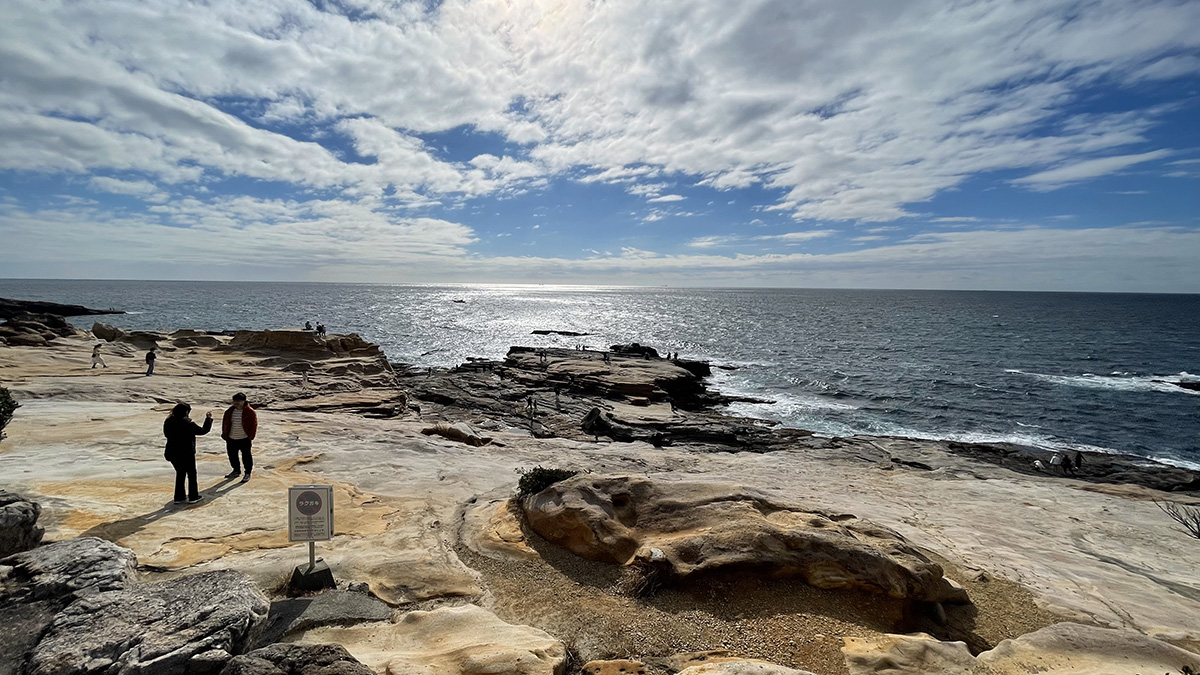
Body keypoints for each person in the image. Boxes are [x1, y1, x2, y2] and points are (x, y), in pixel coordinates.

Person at [163, 403, 212, 504]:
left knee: (180, 473)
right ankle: (193, 496)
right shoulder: (187, 423)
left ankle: (179, 497)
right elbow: (203, 431)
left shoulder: (168, 421)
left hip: (172, 452)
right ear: (186, 412)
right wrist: (208, 419)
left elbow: (166, 434)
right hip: (186, 452)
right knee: (191, 474)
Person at [221, 392, 258, 483]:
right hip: (231, 437)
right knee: (232, 456)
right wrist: (225, 434)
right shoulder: (230, 411)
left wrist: (251, 436)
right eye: (235, 401)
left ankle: (247, 473)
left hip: (244, 438)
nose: (236, 403)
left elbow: (254, 425)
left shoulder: (250, 412)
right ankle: (236, 470)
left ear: (244, 401)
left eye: (239, 401)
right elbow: (225, 423)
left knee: (246, 456)